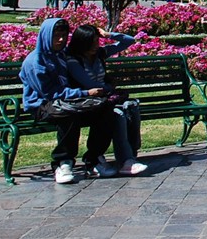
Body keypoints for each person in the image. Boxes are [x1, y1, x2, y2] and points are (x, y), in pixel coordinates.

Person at [19, 19, 116, 183]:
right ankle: (63, 162)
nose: (61, 40)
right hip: (42, 105)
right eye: (56, 36)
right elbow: (50, 93)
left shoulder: (62, 55)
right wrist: (85, 92)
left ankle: (94, 159)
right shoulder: (36, 62)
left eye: (64, 35)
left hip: (68, 101)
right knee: (69, 115)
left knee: (105, 110)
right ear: (45, 36)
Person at [65, 25, 147, 176]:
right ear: (81, 42)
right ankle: (125, 160)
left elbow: (129, 40)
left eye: (97, 41)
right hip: (87, 103)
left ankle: (129, 158)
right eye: (91, 42)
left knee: (132, 108)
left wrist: (108, 34)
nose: (95, 46)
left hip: (104, 100)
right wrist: (110, 87)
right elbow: (90, 84)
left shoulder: (100, 54)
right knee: (118, 114)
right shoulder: (73, 60)